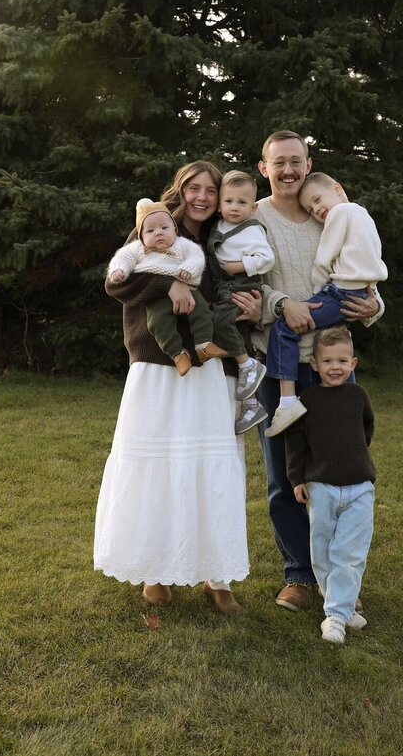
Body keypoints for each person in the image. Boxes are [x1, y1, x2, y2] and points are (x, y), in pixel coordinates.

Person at [230, 130, 382, 612]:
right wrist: (281, 304)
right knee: (284, 475)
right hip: (279, 369)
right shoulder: (255, 219)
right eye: (280, 163)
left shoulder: (330, 213)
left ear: (309, 163)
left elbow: (364, 272)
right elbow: (248, 284)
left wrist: (374, 307)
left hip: (331, 365)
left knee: (339, 474)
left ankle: (342, 585)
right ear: (264, 168)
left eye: (297, 161)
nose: (289, 170)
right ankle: (298, 574)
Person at [94, 161, 248, 615]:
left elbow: (235, 285)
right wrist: (170, 285)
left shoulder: (226, 234)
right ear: (180, 191)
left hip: (209, 363)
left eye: (211, 190)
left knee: (211, 466)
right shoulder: (154, 224)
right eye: (193, 188)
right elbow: (116, 281)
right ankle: (155, 570)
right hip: (156, 363)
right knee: (157, 463)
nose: (202, 197)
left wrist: (252, 303)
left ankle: (216, 574)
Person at [264, 172, 387, 436]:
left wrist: (322, 286)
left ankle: (287, 402)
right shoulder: (363, 216)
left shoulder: (340, 214)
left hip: (338, 296)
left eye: (319, 199)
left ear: (338, 188)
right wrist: (372, 294)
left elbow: (325, 256)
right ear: (265, 168)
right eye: (311, 207)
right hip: (353, 292)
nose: (318, 209)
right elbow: (369, 264)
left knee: (285, 328)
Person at [285, 327, 376, 644]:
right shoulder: (307, 400)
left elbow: (367, 427)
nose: (335, 367)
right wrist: (297, 478)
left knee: (349, 552)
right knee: (322, 552)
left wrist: (354, 454)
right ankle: (341, 604)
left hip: (359, 487)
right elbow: (295, 441)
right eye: (327, 361)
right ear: (314, 365)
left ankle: (335, 617)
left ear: (353, 363)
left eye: (342, 360)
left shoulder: (358, 396)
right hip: (322, 488)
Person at [107, 197, 227, 376]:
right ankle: (177, 354)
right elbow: (122, 258)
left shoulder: (182, 244)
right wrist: (119, 270)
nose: (159, 233)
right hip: (157, 296)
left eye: (164, 228)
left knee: (201, 311)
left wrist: (189, 269)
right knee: (158, 322)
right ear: (141, 235)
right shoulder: (138, 248)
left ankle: (204, 344)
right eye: (151, 231)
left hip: (188, 287)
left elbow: (196, 257)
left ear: (174, 229)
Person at [206, 170, 273, 434]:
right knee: (232, 332)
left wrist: (239, 266)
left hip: (242, 283)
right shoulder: (219, 226)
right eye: (229, 201)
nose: (235, 207)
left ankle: (248, 365)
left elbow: (267, 258)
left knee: (221, 321)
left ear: (253, 207)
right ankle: (252, 403)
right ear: (220, 204)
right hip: (225, 285)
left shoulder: (252, 230)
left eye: (242, 203)